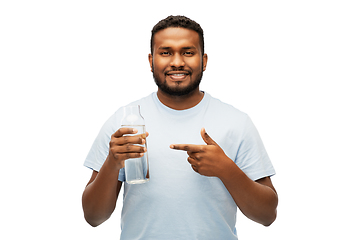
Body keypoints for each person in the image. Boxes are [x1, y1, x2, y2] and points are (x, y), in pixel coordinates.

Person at [82, 15, 278, 239]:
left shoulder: (236, 122)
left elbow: (267, 215)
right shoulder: (124, 121)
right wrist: (111, 163)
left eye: (188, 52)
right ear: (151, 61)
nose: (177, 62)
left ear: (204, 61)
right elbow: (93, 217)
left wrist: (226, 169)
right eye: (166, 52)